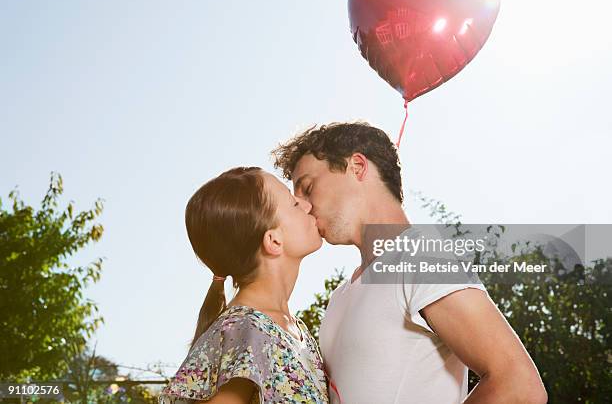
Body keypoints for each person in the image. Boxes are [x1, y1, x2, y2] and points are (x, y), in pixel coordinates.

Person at [272, 122, 548, 404]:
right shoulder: (339, 296)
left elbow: (519, 385)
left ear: (356, 167)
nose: (303, 205)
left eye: (307, 187)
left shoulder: (424, 258)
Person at [159, 167, 329, 404]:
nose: (308, 205)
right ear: (274, 240)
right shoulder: (245, 330)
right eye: (293, 204)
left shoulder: (292, 329)